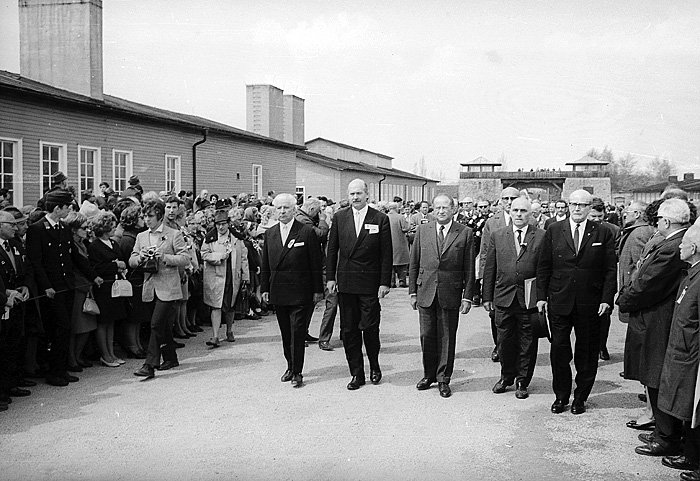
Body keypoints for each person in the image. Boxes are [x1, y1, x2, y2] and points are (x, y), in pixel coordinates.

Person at [617, 199, 690, 453]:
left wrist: (623, 299)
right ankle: (662, 432)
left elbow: (646, 284)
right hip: (655, 318)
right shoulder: (672, 244)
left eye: (658, 219)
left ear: (667, 221)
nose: (655, 223)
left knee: (656, 377)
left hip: (656, 321)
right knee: (654, 377)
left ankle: (666, 437)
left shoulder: (670, 247)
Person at [537, 189, 617, 415]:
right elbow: (544, 266)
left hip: (590, 302)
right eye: (573, 204)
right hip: (560, 299)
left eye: (582, 205)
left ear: (590, 207)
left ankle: (580, 397)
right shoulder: (554, 230)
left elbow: (610, 270)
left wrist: (606, 299)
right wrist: (541, 297)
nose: (577, 208)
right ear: (568, 206)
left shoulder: (602, 232)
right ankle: (561, 396)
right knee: (559, 349)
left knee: (587, 350)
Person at [26, 189, 103, 387]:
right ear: (56, 208)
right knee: (58, 329)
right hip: (52, 290)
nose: (69, 209)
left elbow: (74, 257)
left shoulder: (63, 227)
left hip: (65, 285)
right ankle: (53, 372)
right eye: (66, 206)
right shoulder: (37, 229)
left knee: (65, 329)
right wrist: (47, 286)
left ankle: (60, 369)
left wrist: (93, 276)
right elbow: (36, 263)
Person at [326, 178, 392, 390]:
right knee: (349, 330)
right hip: (346, 283)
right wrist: (330, 278)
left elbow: (386, 254)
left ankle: (374, 364)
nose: (355, 198)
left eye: (359, 194)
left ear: (367, 195)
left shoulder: (380, 219)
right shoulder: (339, 218)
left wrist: (384, 282)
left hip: (369, 283)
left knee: (370, 327)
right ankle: (356, 373)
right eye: (352, 194)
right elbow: (332, 250)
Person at [645, 225, 700, 473]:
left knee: (690, 407)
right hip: (681, 351)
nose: (679, 246)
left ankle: (691, 457)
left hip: (690, 355)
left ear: (694, 248)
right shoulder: (691, 274)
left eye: (683, 243)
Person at [408, 194, 473, 398]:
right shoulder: (422, 230)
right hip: (425, 290)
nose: (441, 211)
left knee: (446, 337)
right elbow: (414, 263)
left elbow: (469, 268)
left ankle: (444, 378)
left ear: (454, 209)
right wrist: (412, 291)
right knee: (426, 336)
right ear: (432, 210)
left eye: (445, 207)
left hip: (450, 292)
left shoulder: (465, 233)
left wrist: (467, 296)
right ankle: (428, 375)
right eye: (437, 207)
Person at [482, 197, 544, 399]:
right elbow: (490, 266)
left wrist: (543, 297)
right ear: (509, 211)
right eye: (515, 210)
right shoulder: (498, 235)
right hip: (503, 298)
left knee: (528, 342)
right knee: (504, 341)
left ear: (530, 214)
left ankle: (522, 381)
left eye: (523, 211)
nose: (519, 214)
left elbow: (545, 270)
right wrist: (487, 296)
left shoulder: (541, 236)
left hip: (529, 299)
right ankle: (506, 376)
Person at [261, 193, 323, 388]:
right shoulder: (270, 234)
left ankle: (297, 371)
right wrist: (264, 288)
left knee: (297, 331)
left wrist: (317, 290)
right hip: (279, 290)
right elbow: (265, 264)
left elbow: (315, 263)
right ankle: (289, 365)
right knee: (286, 332)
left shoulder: (305, 232)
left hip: (300, 290)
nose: (282, 212)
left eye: (286, 208)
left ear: (294, 210)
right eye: (278, 208)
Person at [130, 199, 190, 380]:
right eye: (144, 216)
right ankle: (171, 358)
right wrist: (139, 257)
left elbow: (185, 258)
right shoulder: (141, 236)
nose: (146, 220)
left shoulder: (173, 234)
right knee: (161, 325)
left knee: (156, 324)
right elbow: (131, 260)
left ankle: (150, 365)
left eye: (150, 216)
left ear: (159, 216)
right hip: (150, 286)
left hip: (168, 286)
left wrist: (164, 257)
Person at [479, 186, 521, 363]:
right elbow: (485, 251)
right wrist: (483, 278)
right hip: (498, 278)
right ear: (500, 201)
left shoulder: (529, 220)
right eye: (506, 199)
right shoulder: (492, 222)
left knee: (521, 315)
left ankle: (518, 348)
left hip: (520, 279)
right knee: (496, 315)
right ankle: (500, 345)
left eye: (513, 198)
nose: (510, 202)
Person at [201, 210, 249, 347]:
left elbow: (244, 258)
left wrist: (246, 277)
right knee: (216, 305)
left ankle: (229, 331)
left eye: (223, 224)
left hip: (232, 275)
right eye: (218, 225)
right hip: (216, 276)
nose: (220, 227)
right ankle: (215, 336)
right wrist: (219, 256)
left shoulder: (237, 238)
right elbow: (204, 254)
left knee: (230, 305)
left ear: (228, 224)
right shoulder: (209, 238)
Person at [88, 211, 128, 368]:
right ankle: (104, 354)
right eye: (111, 226)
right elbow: (96, 267)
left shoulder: (113, 243)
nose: (114, 228)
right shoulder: (95, 246)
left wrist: (121, 265)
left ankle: (111, 353)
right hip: (103, 287)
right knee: (103, 322)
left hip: (115, 286)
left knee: (112, 321)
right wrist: (115, 266)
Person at [0, 210, 33, 405]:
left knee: (14, 343)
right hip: (4, 301)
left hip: (16, 301)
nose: (15, 227)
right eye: (11, 224)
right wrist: (6, 295)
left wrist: (26, 285)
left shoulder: (15, 244)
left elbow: (26, 267)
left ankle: (11, 383)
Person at [587, 197, 621, 361]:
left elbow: (616, 254)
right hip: (585, 280)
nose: (596, 220)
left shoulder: (613, 230)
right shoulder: (580, 229)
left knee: (604, 315)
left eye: (599, 217)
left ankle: (602, 345)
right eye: (593, 216)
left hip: (604, 279)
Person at [117, 206, 148, 359]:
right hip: (133, 279)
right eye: (140, 217)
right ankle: (132, 345)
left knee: (138, 315)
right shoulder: (129, 239)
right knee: (133, 315)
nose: (143, 219)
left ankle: (137, 344)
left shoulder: (136, 235)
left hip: (138, 279)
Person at [387, 202, 410, 288]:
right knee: (402, 263)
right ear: (397, 208)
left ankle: (391, 282)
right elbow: (405, 228)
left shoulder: (385, 217)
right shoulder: (400, 217)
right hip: (400, 243)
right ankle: (402, 281)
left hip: (389, 243)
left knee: (390, 263)